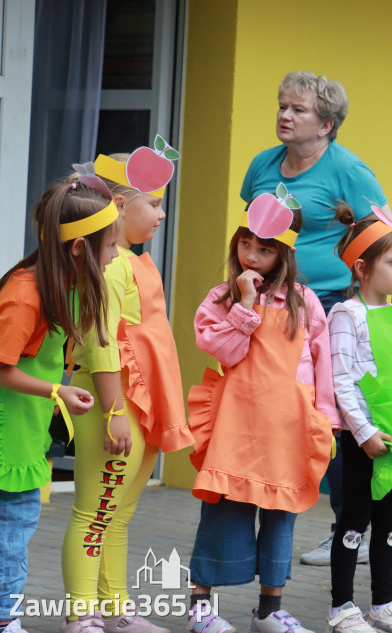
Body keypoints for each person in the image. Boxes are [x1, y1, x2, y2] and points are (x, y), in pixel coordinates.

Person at [239, 71, 390, 566]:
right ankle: (267, 503)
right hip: (273, 303)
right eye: (282, 106)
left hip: (328, 300)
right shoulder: (263, 165)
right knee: (277, 407)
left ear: (326, 124)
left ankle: (350, 529)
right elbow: (252, 232)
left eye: (297, 110)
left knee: (339, 414)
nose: (284, 115)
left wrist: (365, 297)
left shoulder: (351, 170)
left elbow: (383, 235)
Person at [185, 186, 340, 633]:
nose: (251, 255)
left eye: (265, 249)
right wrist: (246, 307)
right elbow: (225, 351)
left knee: (280, 516)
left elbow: (324, 365)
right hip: (237, 425)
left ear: (285, 253)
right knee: (221, 510)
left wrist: (326, 419)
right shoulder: (221, 298)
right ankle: (201, 607)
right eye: (245, 243)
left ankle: (269, 610)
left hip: (287, 427)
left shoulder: (305, 301)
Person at [61, 151, 194, 633]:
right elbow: (100, 344)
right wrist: (116, 411)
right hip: (115, 403)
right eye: (154, 204)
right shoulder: (110, 266)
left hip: (141, 402)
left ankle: (115, 611)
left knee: (116, 514)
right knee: (95, 513)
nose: (162, 215)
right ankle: (81, 615)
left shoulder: (137, 262)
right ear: (118, 203)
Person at [1, 180, 119, 633]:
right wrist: (57, 392)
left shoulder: (63, 285)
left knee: (14, 526)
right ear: (78, 248)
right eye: (110, 245)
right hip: (6, 432)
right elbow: (2, 366)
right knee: (13, 528)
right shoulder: (25, 292)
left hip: (24, 432)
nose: (114, 255)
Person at [325, 206, 392, 633]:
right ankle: (341, 607)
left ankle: (383, 603)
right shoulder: (346, 316)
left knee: (390, 522)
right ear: (362, 268)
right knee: (355, 518)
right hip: (365, 438)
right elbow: (341, 379)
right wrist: (364, 431)